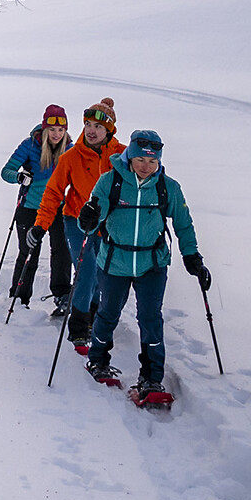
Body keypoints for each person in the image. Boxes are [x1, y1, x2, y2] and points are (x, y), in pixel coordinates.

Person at [78, 127, 210, 398]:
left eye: (152, 161)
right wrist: (87, 219)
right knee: (108, 313)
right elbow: (92, 222)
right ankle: (98, 360)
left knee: (150, 318)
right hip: (114, 262)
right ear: (129, 156)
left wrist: (192, 256)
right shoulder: (110, 182)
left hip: (152, 263)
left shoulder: (168, 187)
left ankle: (151, 377)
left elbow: (183, 224)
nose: (146, 166)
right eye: (140, 159)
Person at [30, 97, 125, 350]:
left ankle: (94, 315)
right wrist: (40, 225)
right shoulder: (71, 156)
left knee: (102, 273)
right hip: (76, 221)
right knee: (86, 270)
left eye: (98, 126)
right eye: (88, 125)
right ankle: (79, 327)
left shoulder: (122, 155)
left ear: (109, 130)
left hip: (108, 224)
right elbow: (53, 192)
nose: (91, 130)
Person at [0, 105, 74, 312]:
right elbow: (6, 171)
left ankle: (62, 295)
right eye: (52, 129)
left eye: (61, 130)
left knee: (62, 251)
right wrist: (19, 177)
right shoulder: (30, 145)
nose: (57, 134)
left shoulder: (70, 149)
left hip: (58, 207)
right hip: (30, 207)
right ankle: (19, 297)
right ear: (44, 128)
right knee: (28, 252)